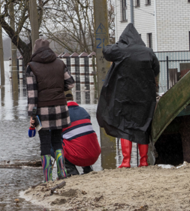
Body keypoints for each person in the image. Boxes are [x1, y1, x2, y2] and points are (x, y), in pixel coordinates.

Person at [96, 23, 160, 168]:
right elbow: (156, 69)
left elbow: (106, 51)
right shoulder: (148, 52)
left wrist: (120, 44)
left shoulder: (120, 50)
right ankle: (143, 161)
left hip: (124, 95)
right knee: (143, 126)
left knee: (124, 126)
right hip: (144, 96)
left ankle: (126, 161)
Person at [26, 39, 75, 182]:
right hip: (60, 107)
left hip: (42, 109)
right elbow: (71, 83)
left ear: (35, 50)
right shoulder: (60, 63)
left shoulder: (31, 67)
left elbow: (32, 94)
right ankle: (62, 173)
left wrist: (32, 114)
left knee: (45, 143)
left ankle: (48, 177)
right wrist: (60, 89)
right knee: (58, 141)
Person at [61, 93, 101, 176]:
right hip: (94, 155)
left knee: (53, 143)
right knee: (82, 138)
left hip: (79, 157)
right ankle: (87, 168)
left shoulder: (62, 114)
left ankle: (71, 171)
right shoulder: (83, 111)